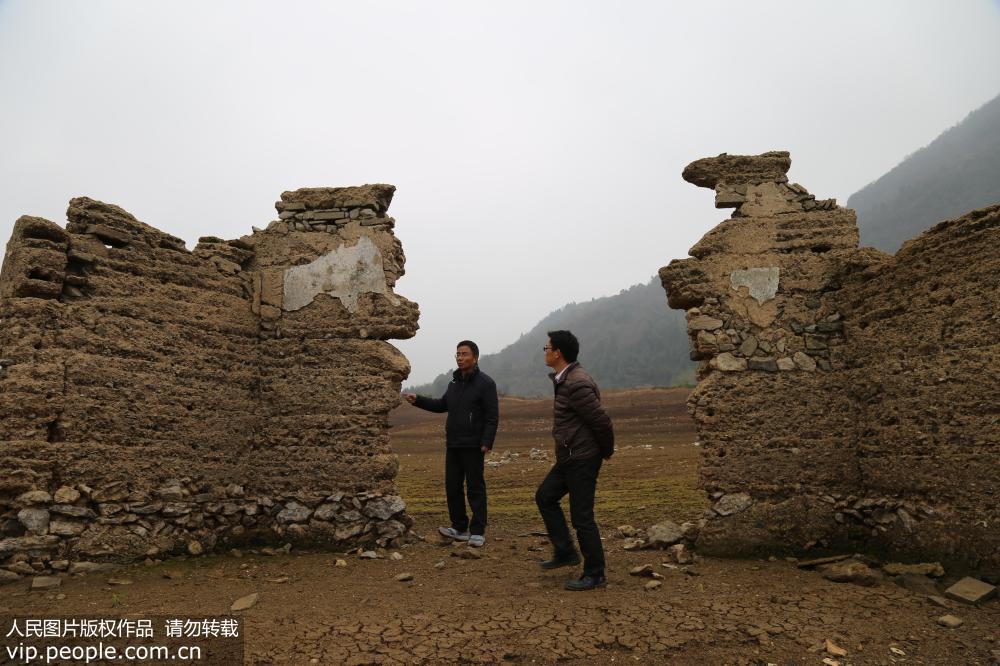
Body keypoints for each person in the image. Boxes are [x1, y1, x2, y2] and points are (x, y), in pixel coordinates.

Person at [535, 329, 614, 591]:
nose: (544, 352)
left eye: (546, 348)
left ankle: (595, 573)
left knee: (582, 517)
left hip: (582, 457)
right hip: (570, 456)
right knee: (545, 496)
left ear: (558, 353)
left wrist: (605, 451)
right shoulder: (565, 379)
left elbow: (600, 420)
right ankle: (565, 552)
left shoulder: (576, 382)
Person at [403, 340, 498, 548]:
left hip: (473, 444)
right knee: (452, 487)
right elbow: (441, 405)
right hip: (453, 443)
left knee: (475, 488)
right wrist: (418, 399)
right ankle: (459, 527)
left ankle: (478, 531)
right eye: (457, 354)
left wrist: (487, 441)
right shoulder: (454, 383)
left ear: (475, 358)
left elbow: (492, 416)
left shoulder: (486, 383)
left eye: (464, 354)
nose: (460, 358)